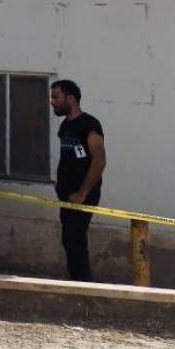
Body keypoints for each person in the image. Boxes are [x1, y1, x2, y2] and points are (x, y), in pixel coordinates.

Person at [51, 80, 106, 282]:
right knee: (68, 240)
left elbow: (99, 160)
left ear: (70, 98)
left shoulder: (89, 124)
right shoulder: (66, 125)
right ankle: (76, 281)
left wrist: (82, 193)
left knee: (75, 240)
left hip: (83, 195)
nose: (52, 102)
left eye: (56, 97)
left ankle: (84, 286)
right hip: (67, 195)